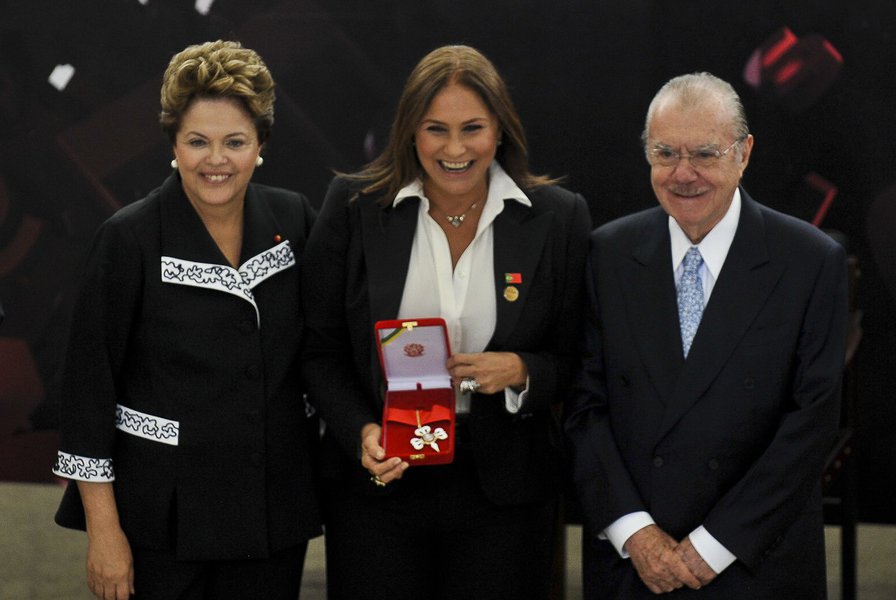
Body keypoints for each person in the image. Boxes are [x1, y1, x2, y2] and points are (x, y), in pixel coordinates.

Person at [301, 44, 590, 599]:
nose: (454, 149)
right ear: (410, 131)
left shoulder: (559, 218)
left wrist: (524, 370)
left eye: (472, 129)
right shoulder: (353, 206)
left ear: (500, 131)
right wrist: (362, 431)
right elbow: (319, 353)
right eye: (436, 129)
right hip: (380, 485)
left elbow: (579, 358)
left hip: (505, 494)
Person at [52, 40, 320, 600]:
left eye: (235, 142)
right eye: (198, 141)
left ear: (261, 145)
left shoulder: (294, 218)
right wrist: (105, 534)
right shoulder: (128, 238)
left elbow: (325, 348)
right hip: (160, 521)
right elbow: (87, 394)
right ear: (173, 143)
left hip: (269, 514)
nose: (215, 160)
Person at [565, 71, 849, 598]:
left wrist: (713, 546)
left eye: (705, 154)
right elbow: (584, 404)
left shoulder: (809, 261)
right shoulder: (606, 254)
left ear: (744, 153)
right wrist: (637, 534)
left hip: (755, 559)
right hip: (633, 564)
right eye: (665, 153)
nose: (683, 173)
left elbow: (813, 422)